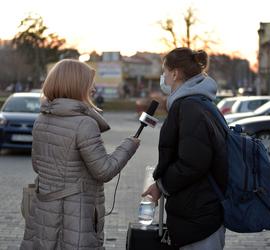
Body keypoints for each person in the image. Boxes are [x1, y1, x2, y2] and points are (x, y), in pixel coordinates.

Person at [20, 59, 140, 250]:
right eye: (89, 82)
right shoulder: (84, 124)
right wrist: (129, 146)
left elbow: (37, 165)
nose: (93, 88)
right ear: (77, 85)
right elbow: (104, 171)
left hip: (44, 210)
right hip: (74, 215)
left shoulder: (41, 119)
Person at [142, 47, 228, 250]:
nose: (163, 77)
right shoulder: (199, 103)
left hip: (199, 215)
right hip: (199, 211)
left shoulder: (189, 107)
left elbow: (192, 163)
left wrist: (161, 185)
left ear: (175, 73)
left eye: (164, 71)